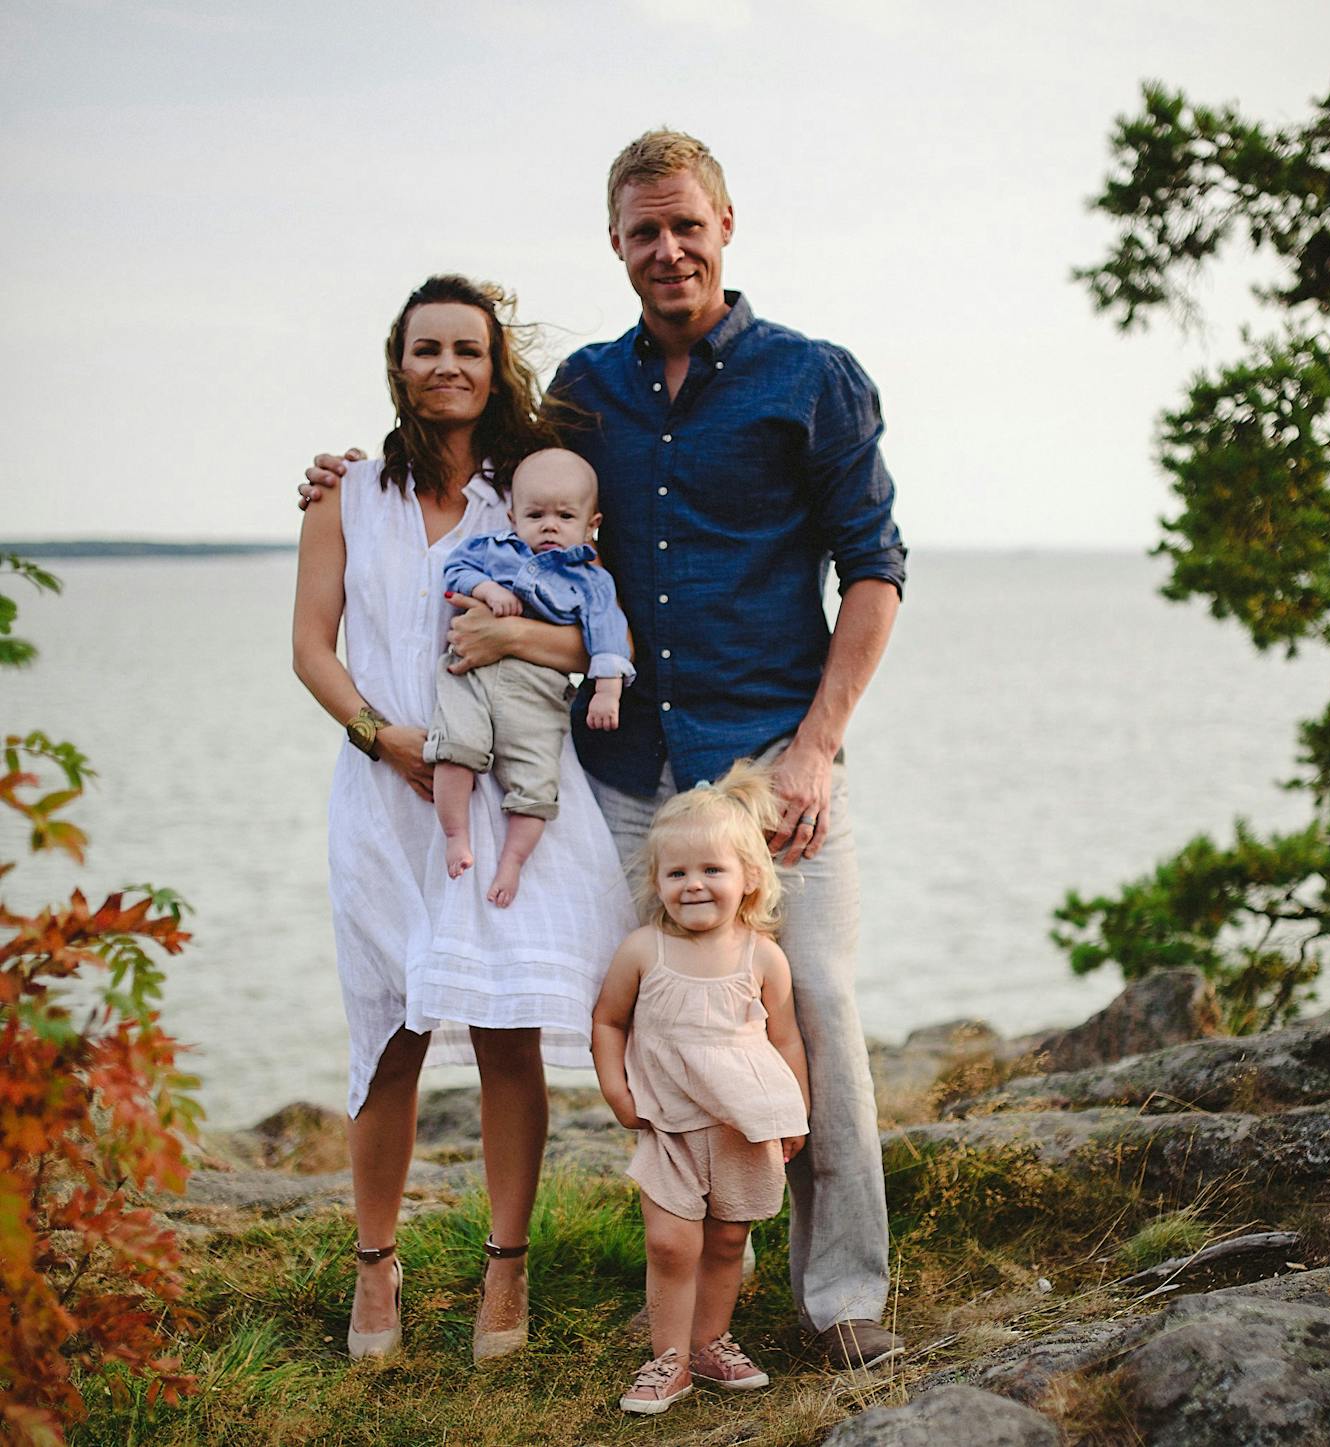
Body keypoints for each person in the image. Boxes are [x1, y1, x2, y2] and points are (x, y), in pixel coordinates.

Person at [299, 129, 906, 1370]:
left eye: (686, 224)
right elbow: (498, 496)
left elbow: (877, 569)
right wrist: (343, 472)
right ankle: (686, 1293)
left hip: (766, 761)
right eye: (643, 230)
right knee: (658, 1017)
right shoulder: (583, 392)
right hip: (622, 772)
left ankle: (843, 1295)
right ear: (617, 244)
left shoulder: (813, 377)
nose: (667, 248)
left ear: (727, 225)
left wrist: (818, 748)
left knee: (822, 1003)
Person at [292, 274, 632, 1364]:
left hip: (507, 790)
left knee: (505, 1033)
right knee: (387, 1033)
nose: (448, 366)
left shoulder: (529, 491)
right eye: (427, 347)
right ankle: (376, 1271)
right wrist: (381, 737)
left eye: (469, 350)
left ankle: (506, 1271)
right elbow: (310, 647)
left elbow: (593, 639)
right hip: (386, 797)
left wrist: (509, 645)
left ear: (496, 366)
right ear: (398, 360)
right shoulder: (345, 496)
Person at [592, 762, 809, 1414]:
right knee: (670, 1240)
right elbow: (607, 1020)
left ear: (749, 879)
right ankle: (669, 1361)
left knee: (725, 1240)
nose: (693, 885)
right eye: (677, 872)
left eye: (711, 870)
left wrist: (792, 1111)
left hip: (742, 1126)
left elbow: (786, 1038)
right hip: (668, 1124)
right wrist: (614, 1088)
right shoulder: (642, 950)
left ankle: (711, 1340)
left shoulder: (762, 956)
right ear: (656, 881)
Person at [428, 447, 633, 903]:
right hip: (471, 675)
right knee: (453, 748)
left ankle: (512, 863)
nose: (549, 525)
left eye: (565, 515)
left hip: (539, 691)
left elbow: (609, 636)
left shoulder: (592, 580)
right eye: (535, 514)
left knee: (537, 783)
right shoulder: (492, 551)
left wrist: (607, 692)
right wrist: (484, 587)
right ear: (512, 515)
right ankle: (456, 836)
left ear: (591, 523)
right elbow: (455, 569)